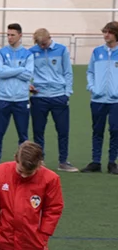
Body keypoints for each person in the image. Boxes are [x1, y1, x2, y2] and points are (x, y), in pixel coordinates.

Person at [0, 23, 33, 171]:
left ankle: (23, 160)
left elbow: (29, 75)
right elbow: (0, 73)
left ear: (20, 35)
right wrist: (20, 69)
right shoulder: (1, 53)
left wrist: (10, 70)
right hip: (3, 98)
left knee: (23, 133)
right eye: (8, 34)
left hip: (21, 99)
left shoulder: (28, 54)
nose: (10, 37)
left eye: (12, 35)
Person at [28, 28, 76, 172]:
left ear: (50, 38)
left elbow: (68, 72)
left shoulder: (61, 50)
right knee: (38, 131)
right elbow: (27, 72)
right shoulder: (31, 52)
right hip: (39, 97)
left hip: (58, 96)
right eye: (40, 44)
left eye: (44, 43)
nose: (42, 47)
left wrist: (67, 93)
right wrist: (28, 85)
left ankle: (63, 161)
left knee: (62, 130)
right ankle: (39, 161)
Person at [84, 21, 118, 174]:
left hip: (115, 101)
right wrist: (92, 87)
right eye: (104, 32)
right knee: (97, 131)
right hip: (98, 99)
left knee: (115, 131)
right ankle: (95, 162)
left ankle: (112, 162)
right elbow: (90, 72)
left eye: (109, 32)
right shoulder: (97, 52)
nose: (105, 35)